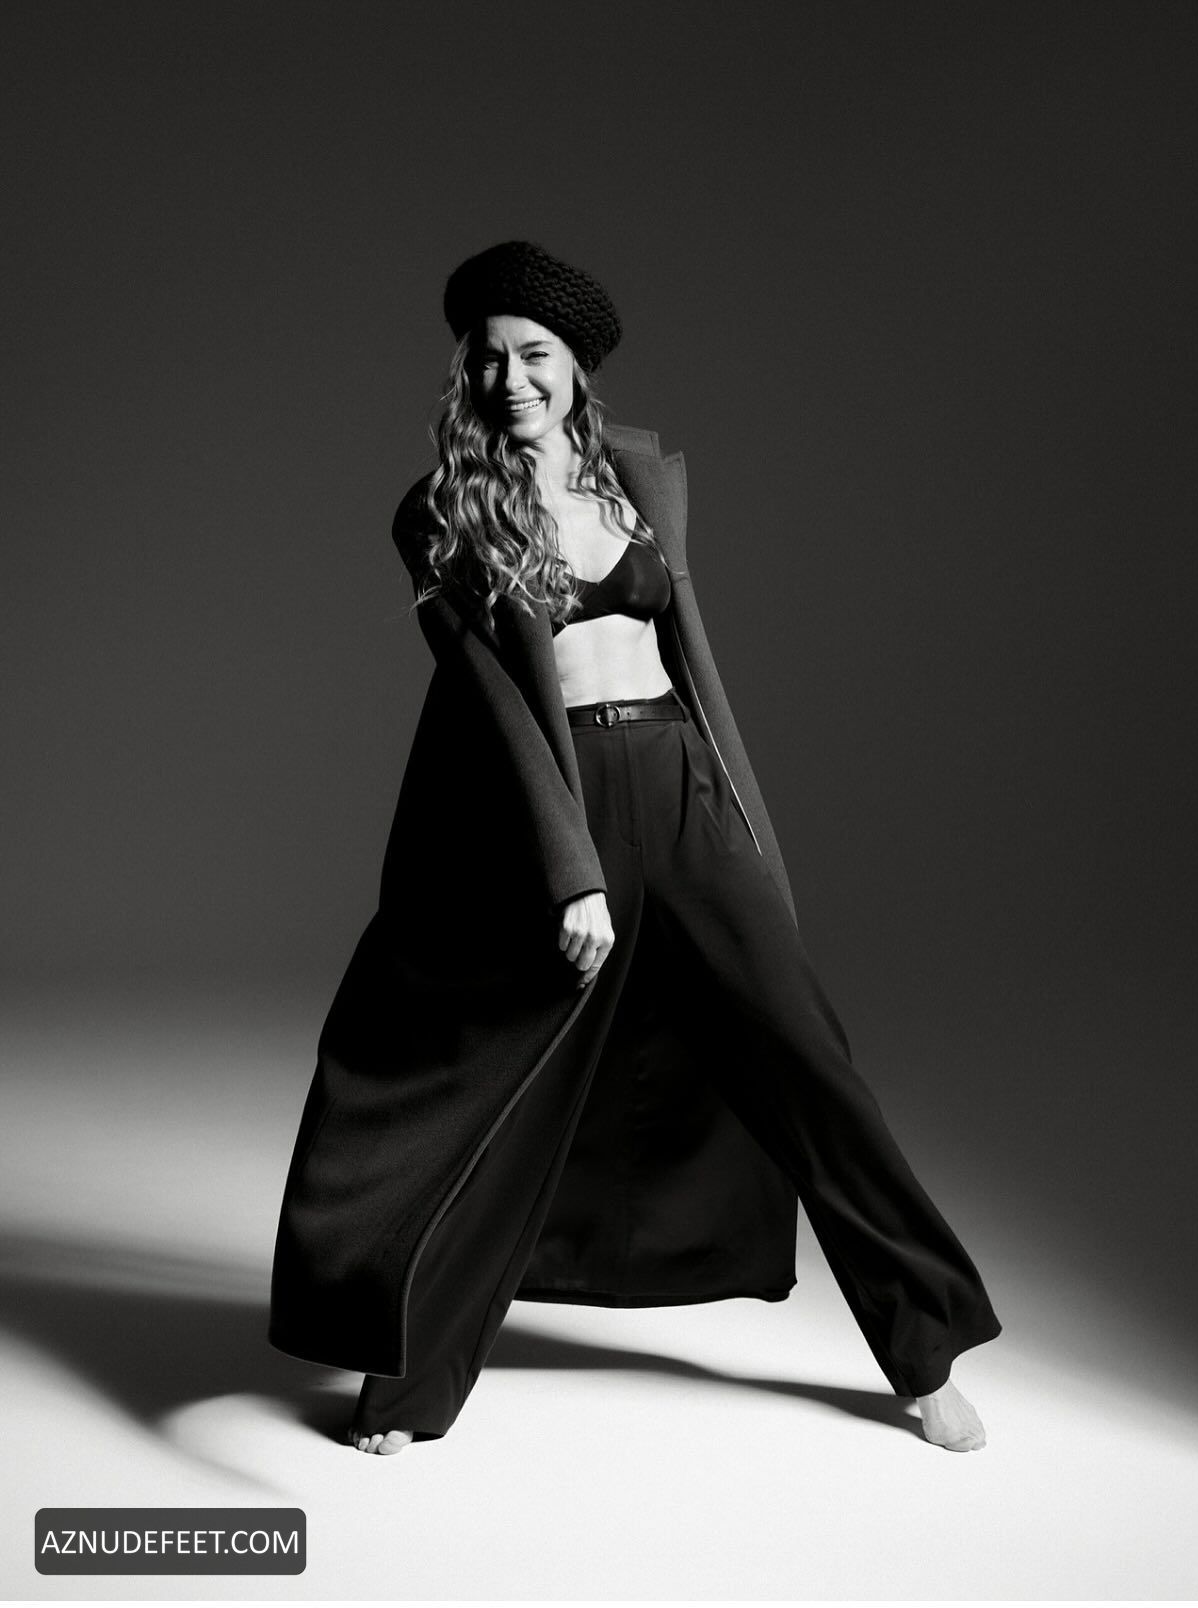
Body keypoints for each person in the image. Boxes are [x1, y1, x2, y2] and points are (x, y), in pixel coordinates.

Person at [268, 240, 1002, 1458]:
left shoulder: (640, 478)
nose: (511, 379)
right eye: (488, 358)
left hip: (682, 785)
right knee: (501, 1085)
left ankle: (924, 1353)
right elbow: (490, 708)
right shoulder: (442, 510)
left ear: (577, 366)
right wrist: (571, 871)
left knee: (808, 1065)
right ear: (465, 371)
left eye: (535, 355)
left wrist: (738, 820)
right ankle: (407, 1382)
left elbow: (685, 658)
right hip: (566, 804)